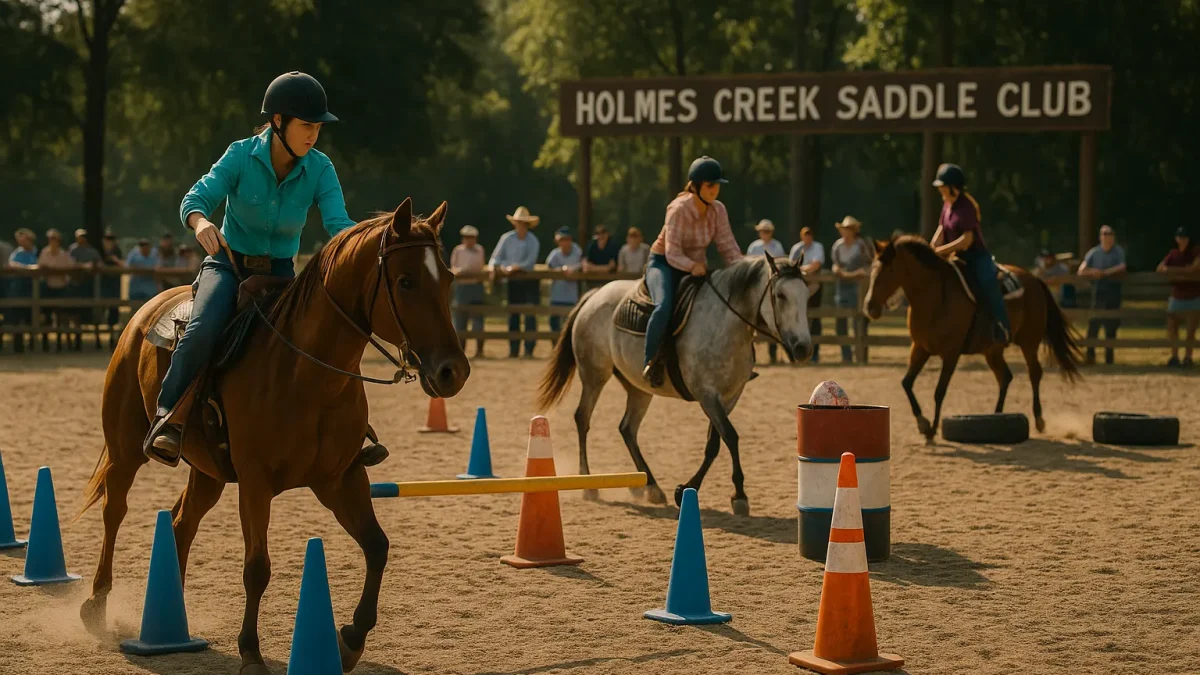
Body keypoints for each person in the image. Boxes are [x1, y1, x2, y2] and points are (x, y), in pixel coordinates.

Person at [146, 71, 357, 465]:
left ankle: (351, 429)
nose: (314, 135)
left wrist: (363, 242)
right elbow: (196, 197)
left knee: (327, 336)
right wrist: (201, 222)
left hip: (282, 275)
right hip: (229, 267)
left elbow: (338, 224)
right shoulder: (240, 155)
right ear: (278, 121)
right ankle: (169, 418)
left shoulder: (321, 168)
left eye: (318, 127)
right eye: (307, 125)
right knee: (203, 326)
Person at [643, 155, 742, 385]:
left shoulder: (719, 210)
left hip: (696, 267)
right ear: (695, 186)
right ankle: (651, 363)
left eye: (717, 185)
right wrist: (693, 266)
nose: (715, 190)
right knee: (663, 306)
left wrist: (745, 268)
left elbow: (728, 247)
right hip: (663, 264)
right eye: (710, 185)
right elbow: (672, 252)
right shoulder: (678, 209)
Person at [928, 163, 1009, 346]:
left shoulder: (967, 207)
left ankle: (1002, 327)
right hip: (955, 257)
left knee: (988, 284)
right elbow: (941, 229)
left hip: (976, 257)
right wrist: (931, 247)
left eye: (943, 186)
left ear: (953, 186)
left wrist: (940, 251)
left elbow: (967, 240)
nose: (940, 189)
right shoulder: (947, 205)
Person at [489, 206, 541, 358]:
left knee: (530, 315)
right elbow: (495, 257)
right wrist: (495, 268)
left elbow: (530, 262)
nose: (521, 225)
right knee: (513, 315)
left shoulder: (533, 240)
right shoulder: (507, 238)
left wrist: (515, 267)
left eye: (524, 223)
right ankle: (513, 349)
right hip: (512, 281)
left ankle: (529, 350)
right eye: (519, 222)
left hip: (528, 281)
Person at [1078, 224, 1126, 365]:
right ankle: (1090, 357)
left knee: (1111, 327)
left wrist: (1105, 273)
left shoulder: (1118, 251)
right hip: (1098, 292)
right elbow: (1081, 271)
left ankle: (1109, 359)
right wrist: (1094, 272)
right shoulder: (1094, 252)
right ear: (1100, 237)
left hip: (1113, 292)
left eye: (1109, 234)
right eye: (1104, 234)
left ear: (1113, 237)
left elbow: (1122, 267)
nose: (1106, 236)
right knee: (1094, 325)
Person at [831, 215, 872, 363]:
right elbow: (835, 264)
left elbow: (869, 265)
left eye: (848, 229)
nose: (845, 232)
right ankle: (846, 356)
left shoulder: (861, 245)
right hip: (841, 288)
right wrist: (837, 270)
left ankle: (861, 356)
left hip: (858, 288)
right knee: (840, 323)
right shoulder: (837, 246)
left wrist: (858, 273)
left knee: (859, 322)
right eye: (844, 229)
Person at [1157, 227, 1200, 367]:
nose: (1182, 240)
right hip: (1176, 295)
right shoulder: (1173, 253)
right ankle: (1174, 356)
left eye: (1185, 237)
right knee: (1172, 326)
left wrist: (1172, 271)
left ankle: (1188, 357)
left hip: (1193, 296)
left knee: (1191, 329)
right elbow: (1160, 268)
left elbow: (1193, 269)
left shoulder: (1195, 251)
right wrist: (1181, 273)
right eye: (1180, 237)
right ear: (1176, 239)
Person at [745, 218, 786, 363]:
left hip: (771, 284)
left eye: (767, 231)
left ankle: (773, 354)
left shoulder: (777, 246)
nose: (765, 233)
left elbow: (780, 263)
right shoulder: (754, 247)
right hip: (757, 285)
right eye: (763, 231)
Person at [789, 226, 825, 362]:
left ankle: (815, 354)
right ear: (801, 236)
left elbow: (816, 264)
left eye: (809, 234)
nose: (807, 237)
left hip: (813, 287)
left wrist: (803, 270)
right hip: (798, 289)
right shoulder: (796, 248)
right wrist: (803, 270)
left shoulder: (817, 247)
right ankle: (796, 353)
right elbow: (791, 265)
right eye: (805, 234)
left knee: (815, 319)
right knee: (796, 320)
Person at [450, 225, 487, 357]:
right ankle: (460, 350)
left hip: (475, 287)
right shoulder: (458, 251)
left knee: (477, 320)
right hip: (462, 287)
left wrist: (462, 270)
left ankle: (479, 350)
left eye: (471, 237)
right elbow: (453, 267)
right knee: (460, 320)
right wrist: (459, 271)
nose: (468, 240)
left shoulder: (479, 250)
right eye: (466, 237)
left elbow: (477, 267)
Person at [546, 227, 582, 335]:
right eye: (561, 240)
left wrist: (573, 269)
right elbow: (549, 267)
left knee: (570, 325)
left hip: (571, 297)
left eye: (566, 239)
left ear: (570, 240)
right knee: (554, 324)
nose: (563, 242)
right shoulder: (555, 254)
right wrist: (561, 270)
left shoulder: (577, 251)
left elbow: (582, 264)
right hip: (556, 296)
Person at [7, 228, 38, 347]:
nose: (22, 243)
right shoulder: (17, 253)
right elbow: (12, 264)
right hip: (19, 288)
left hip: (33, 288)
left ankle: (32, 342)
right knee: (17, 314)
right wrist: (28, 268)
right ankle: (18, 343)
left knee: (30, 315)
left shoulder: (37, 251)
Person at [99, 230, 124, 327]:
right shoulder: (100, 251)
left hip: (114, 285)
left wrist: (115, 260)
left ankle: (112, 335)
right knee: (100, 311)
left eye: (111, 240)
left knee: (113, 311)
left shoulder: (117, 252)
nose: (109, 242)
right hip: (102, 285)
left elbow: (123, 266)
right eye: (107, 239)